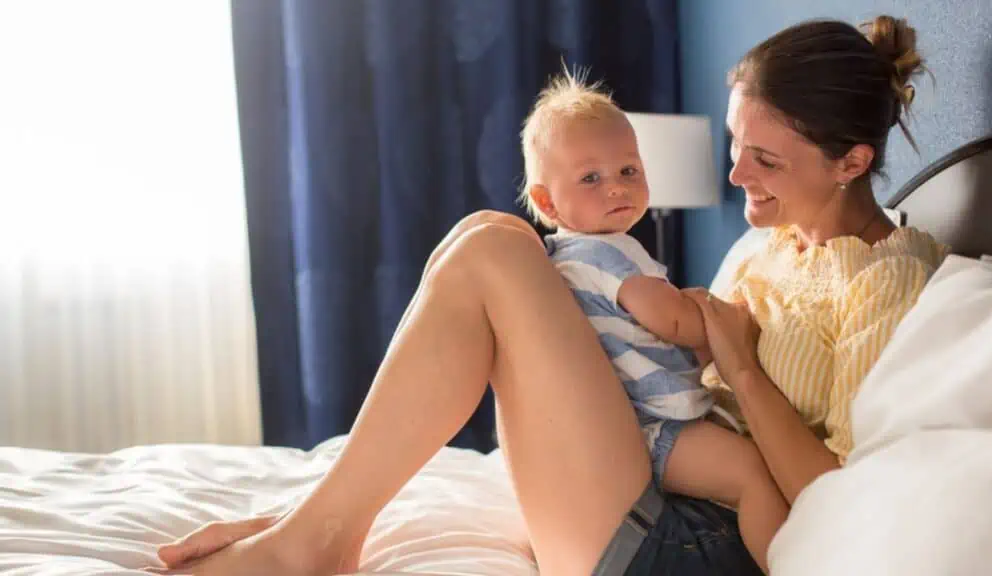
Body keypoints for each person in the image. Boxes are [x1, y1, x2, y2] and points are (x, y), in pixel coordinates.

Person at [152, 14, 948, 576]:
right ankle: (325, 523)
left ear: (850, 162)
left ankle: (321, 535)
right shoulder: (766, 247)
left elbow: (836, 498)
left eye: (766, 160)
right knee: (484, 239)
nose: (736, 176)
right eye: (736, 147)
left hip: (690, 547)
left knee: (500, 246)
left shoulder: (888, 279)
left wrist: (741, 369)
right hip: (639, 478)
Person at [518, 69, 787, 571]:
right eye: (591, 178)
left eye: (628, 171)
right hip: (658, 428)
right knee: (752, 474)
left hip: (617, 428)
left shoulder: (561, 258)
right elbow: (674, 326)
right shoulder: (610, 257)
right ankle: (787, 565)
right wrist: (715, 310)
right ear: (547, 202)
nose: (617, 189)